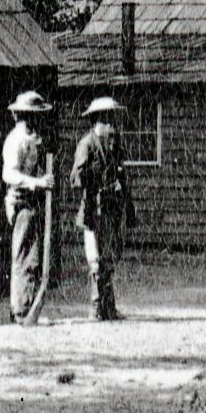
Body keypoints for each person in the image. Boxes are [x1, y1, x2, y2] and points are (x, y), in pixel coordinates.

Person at [74, 97, 136, 321]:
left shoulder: (115, 147)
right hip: (93, 209)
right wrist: (95, 178)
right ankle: (96, 307)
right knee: (96, 260)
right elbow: (76, 177)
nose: (112, 125)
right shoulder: (87, 145)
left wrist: (129, 209)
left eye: (113, 120)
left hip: (112, 209)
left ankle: (109, 308)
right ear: (96, 121)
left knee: (109, 258)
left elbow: (123, 178)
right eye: (107, 120)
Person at [2, 92, 57, 324]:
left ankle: (28, 306)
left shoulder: (33, 139)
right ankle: (21, 311)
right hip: (21, 201)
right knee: (24, 256)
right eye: (31, 116)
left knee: (32, 257)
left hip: (32, 202)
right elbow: (9, 174)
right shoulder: (16, 140)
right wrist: (37, 182)